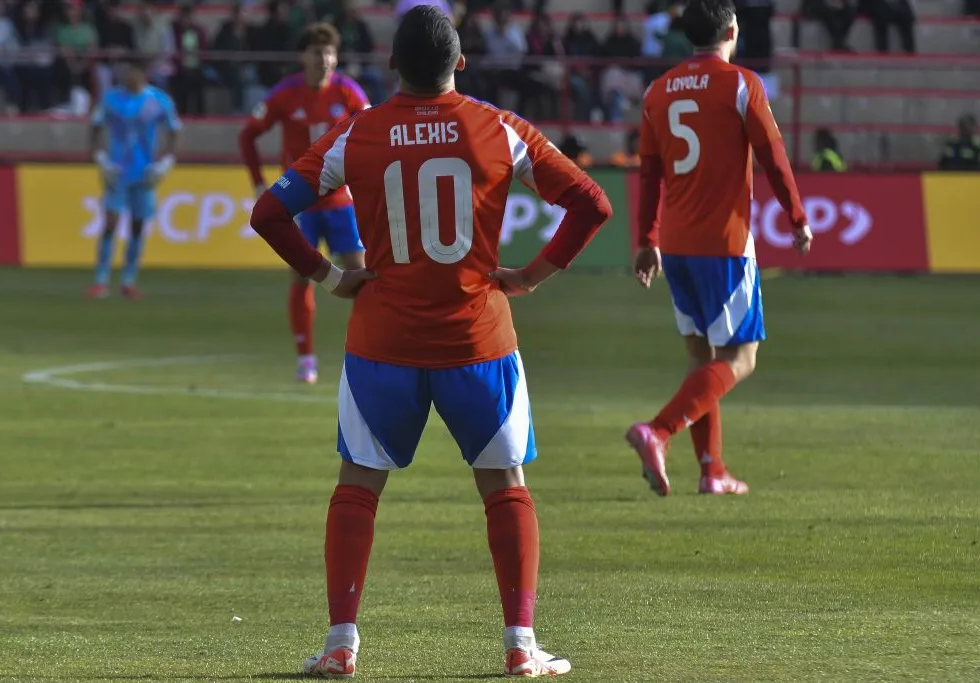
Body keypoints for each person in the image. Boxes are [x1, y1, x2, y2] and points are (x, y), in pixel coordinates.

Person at [248, 6, 612, 677]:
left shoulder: (355, 133)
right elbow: (592, 201)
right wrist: (531, 275)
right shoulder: (502, 130)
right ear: (461, 63)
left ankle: (340, 643)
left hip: (382, 342)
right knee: (504, 485)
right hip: (479, 341)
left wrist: (331, 275)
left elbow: (267, 211)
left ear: (391, 65)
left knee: (358, 484)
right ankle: (519, 643)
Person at [628, 0, 811, 496]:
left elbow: (649, 176)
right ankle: (657, 431)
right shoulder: (741, 84)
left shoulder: (657, 91)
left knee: (701, 358)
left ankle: (712, 471)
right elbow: (772, 153)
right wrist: (796, 216)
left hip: (677, 244)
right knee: (741, 357)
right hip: (725, 243)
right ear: (732, 30)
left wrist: (647, 240)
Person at [238, 23, 371, 384]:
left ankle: (367, 353)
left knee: (362, 278)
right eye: (317, 52)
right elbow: (248, 135)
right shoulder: (284, 94)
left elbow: (372, 132)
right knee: (301, 277)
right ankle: (306, 357)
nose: (325, 59)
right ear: (303, 57)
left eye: (330, 53)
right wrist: (258, 184)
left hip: (341, 200)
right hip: (300, 204)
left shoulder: (348, 92)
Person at [87, 56, 181, 300]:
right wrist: (100, 159)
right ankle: (101, 280)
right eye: (125, 71)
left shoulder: (158, 101)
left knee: (137, 227)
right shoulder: (111, 99)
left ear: (143, 73)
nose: (127, 76)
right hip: (116, 171)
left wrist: (166, 162)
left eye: (132, 72)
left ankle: (128, 280)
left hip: (144, 172)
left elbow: (173, 131)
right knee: (110, 223)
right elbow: (95, 128)